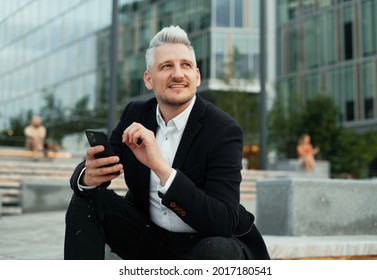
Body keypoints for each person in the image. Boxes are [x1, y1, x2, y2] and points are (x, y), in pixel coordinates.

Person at [64, 25, 270, 260]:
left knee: (217, 249)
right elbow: (103, 165)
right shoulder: (135, 114)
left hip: (206, 242)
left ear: (197, 76)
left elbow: (223, 222)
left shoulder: (223, 130)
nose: (178, 74)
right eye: (166, 66)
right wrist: (87, 178)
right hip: (151, 239)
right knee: (88, 200)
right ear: (148, 79)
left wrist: (161, 168)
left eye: (186, 65)